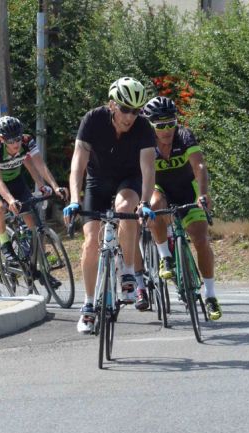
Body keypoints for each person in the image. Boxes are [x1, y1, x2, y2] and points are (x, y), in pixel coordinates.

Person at [63, 76, 156, 334]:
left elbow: (148, 168)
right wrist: (74, 199)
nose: (130, 116)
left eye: (136, 111)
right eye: (125, 109)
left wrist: (145, 202)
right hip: (97, 181)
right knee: (90, 242)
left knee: (125, 208)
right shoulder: (93, 119)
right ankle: (88, 305)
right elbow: (78, 164)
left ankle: (127, 272)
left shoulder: (143, 127)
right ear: (112, 104)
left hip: (129, 179)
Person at [142, 96, 222, 320]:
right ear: (151, 125)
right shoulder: (145, 142)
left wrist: (203, 194)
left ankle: (210, 295)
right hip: (160, 189)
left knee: (201, 239)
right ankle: (165, 257)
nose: (167, 130)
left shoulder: (184, 135)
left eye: (171, 123)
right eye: (160, 126)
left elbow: (200, 165)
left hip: (187, 189)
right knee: (155, 206)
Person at [0, 116, 68, 268]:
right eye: (10, 141)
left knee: (32, 220)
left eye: (18, 138)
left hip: (15, 179)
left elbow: (40, 165)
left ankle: (38, 264)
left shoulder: (27, 141)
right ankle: (5, 245)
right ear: (1, 139)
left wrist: (54, 186)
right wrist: (10, 200)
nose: (16, 144)